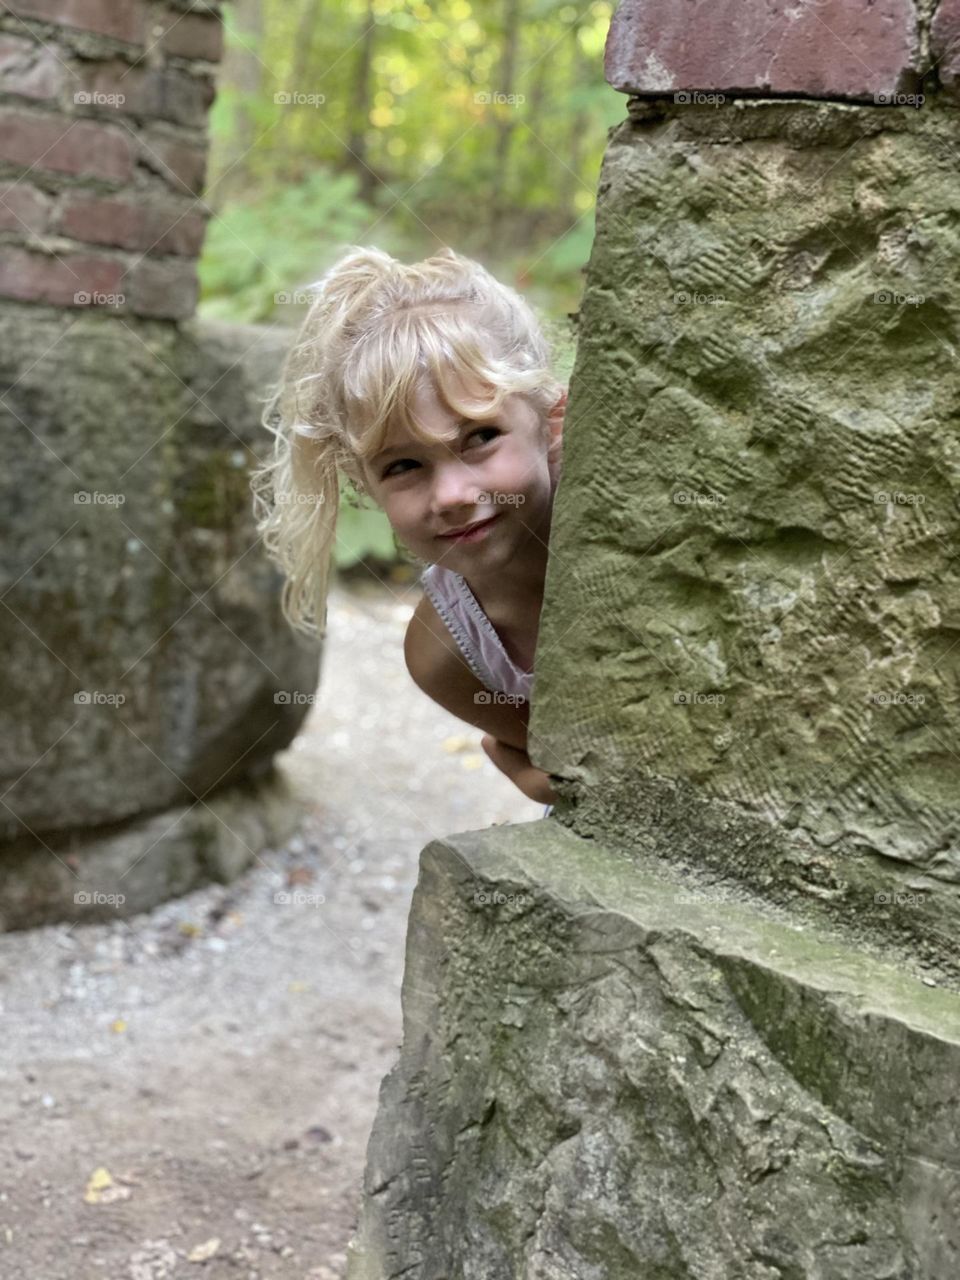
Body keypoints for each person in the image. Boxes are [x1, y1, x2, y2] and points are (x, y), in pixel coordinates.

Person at [251, 244, 565, 811]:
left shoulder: (631, 526)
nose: (451, 496)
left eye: (480, 437)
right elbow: (562, 767)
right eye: (403, 467)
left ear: (551, 418)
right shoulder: (445, 655)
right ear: (364, 486)